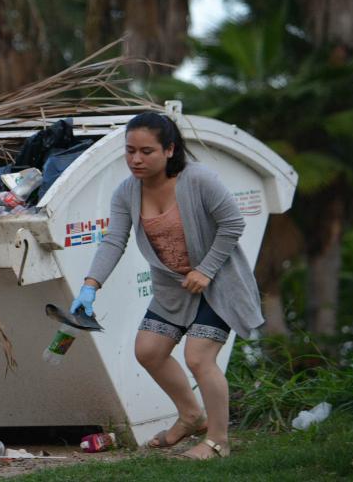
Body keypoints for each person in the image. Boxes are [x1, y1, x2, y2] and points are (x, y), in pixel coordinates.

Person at [70, 111, 262, 460]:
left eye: (147, 151)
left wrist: (205, 269)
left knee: (198, 358)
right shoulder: (126, 192)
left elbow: (233, 223)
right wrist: (90, 286)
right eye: (130, 151)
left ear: (169, 150)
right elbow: (114, 240)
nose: (136, 159)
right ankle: (191, 416)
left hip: (218, 285)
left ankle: (218, 441)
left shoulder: (199, 180)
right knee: (148, 351)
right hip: (173, 289)